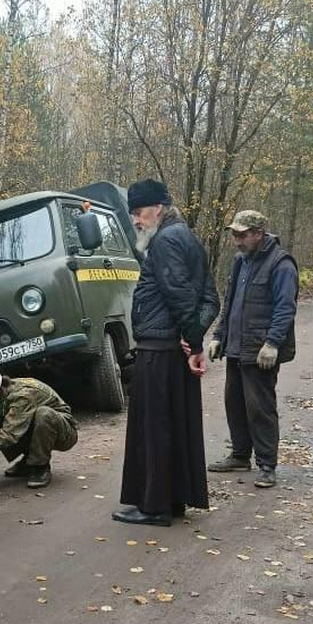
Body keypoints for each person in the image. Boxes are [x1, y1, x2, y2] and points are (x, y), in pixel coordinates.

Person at [112, 178, 220, 526]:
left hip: (159, 351)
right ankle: (171, 500)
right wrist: (193, 340)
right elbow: (209, 299)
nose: (137, 221)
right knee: (172, 425)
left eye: (139, 213)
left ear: (157, 208)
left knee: (155, 428)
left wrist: (194, 342)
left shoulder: (166, 240)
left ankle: (155, 506)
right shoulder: (185, 236)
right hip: (169, 349)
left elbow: (181, 297)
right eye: (133, 216)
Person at [207, 210, 298, 488]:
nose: (237, 241)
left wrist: (272, 343)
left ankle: (267, 465)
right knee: (234, 403)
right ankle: (239, 455)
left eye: (242, 235)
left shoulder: (281, 264)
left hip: (260, 351)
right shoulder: (240, 261)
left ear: (258, 233)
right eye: (234, 234)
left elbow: (285, 308)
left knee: (260, 407)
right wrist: (218, 335)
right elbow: (231, 302)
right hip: (236, 347)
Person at [0, 374, 78, 489]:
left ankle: (40, 467)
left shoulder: (22, 396)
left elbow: (9, 435)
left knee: (43, 415)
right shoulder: (7, 391)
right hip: (38, 423)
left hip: (65, 433)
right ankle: (29, 461)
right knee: (3, 418)